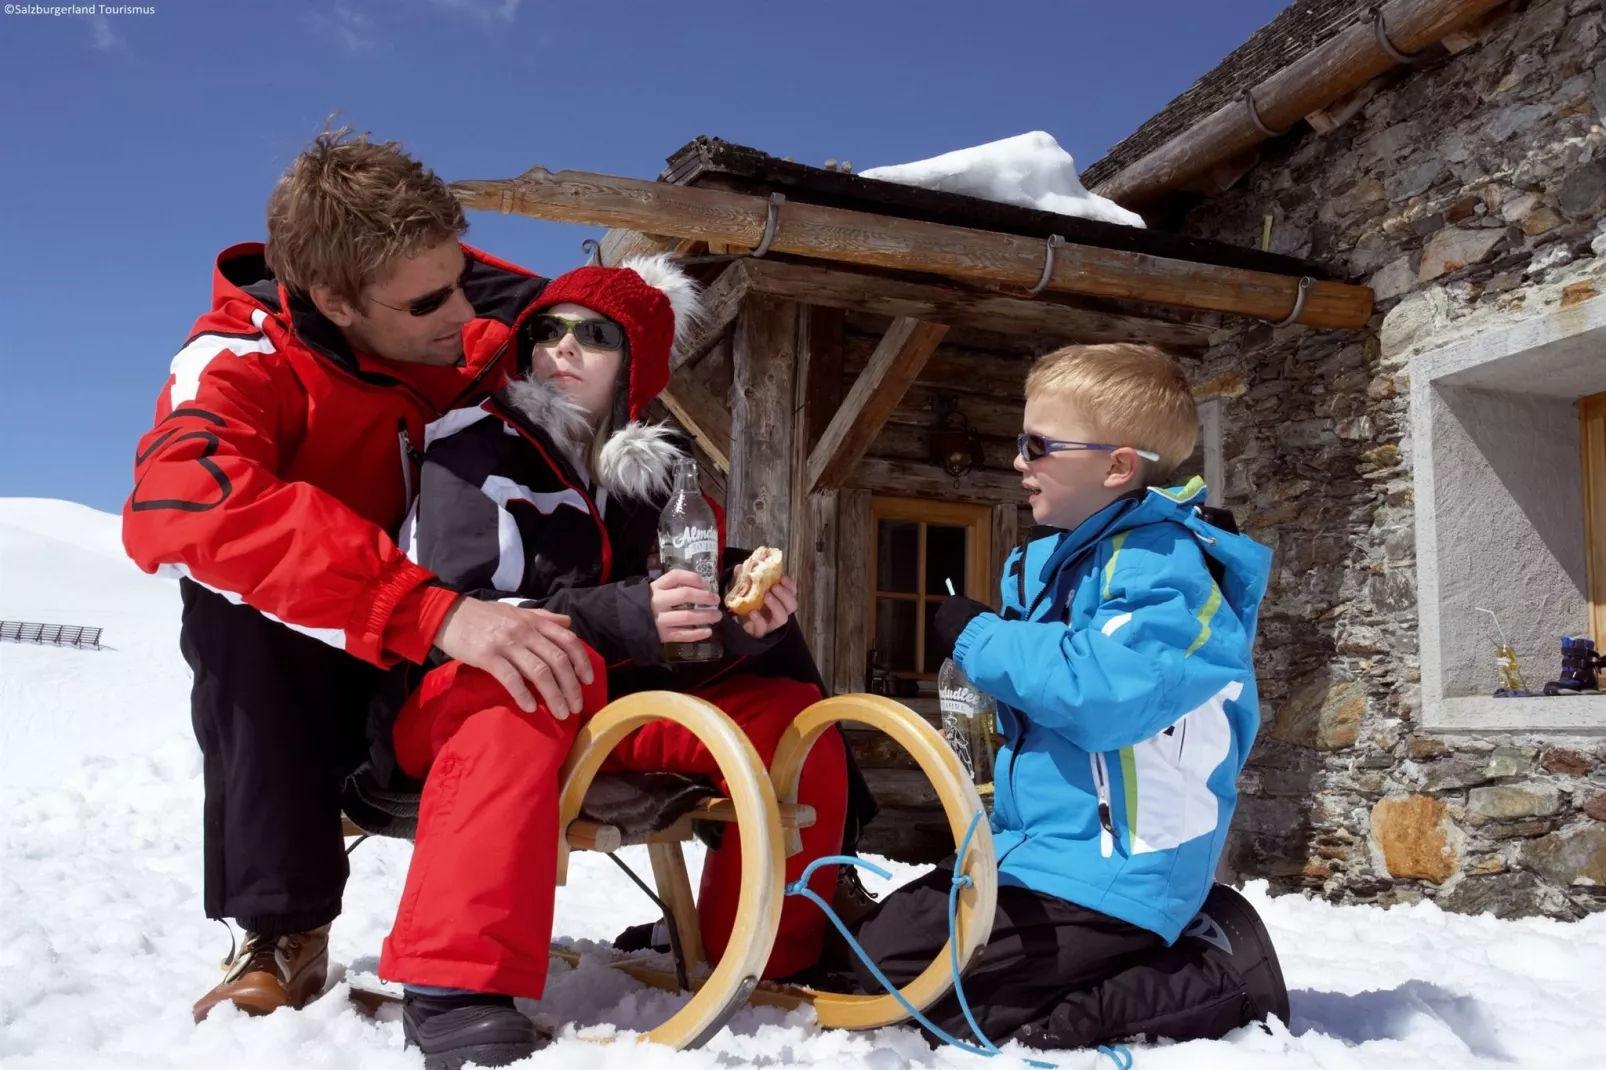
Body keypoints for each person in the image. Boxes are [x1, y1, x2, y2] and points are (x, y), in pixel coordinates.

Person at [121, 128, 595, 1025]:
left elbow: (609, 332)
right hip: (343, 646)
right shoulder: (236, 361)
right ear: (334, 300)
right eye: (429, 304)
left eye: (462, 278)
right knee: (228, 603)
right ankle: (281, 929)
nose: (464, 315)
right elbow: (180, 503)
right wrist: (426, 610)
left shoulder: (489, 316)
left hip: (483, 629)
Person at [378, 255, 858, 1068]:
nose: (563, 347)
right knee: (524, 680)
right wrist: (629, 614)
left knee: (787, 718)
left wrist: (737, 619)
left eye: (592, 335)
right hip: (461, 696)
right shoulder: (473, 450)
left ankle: (777, 946)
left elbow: (673, 640)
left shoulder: (660, 487)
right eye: (547, 331)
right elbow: (470, 616)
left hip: (603, 705)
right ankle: (455, 981)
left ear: (634, 366)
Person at [850, 343, 1289, 1050]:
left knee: (956, 1008)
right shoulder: (1063, 564)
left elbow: (1103, 692)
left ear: (1116, 466)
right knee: (885, 956)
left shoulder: (1168, 571)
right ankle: (1127, 958)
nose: (1019, 461)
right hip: (1044, 855)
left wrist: (981, 640)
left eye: (1037, 445)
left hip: (1123, 867)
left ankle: (1222, 975)